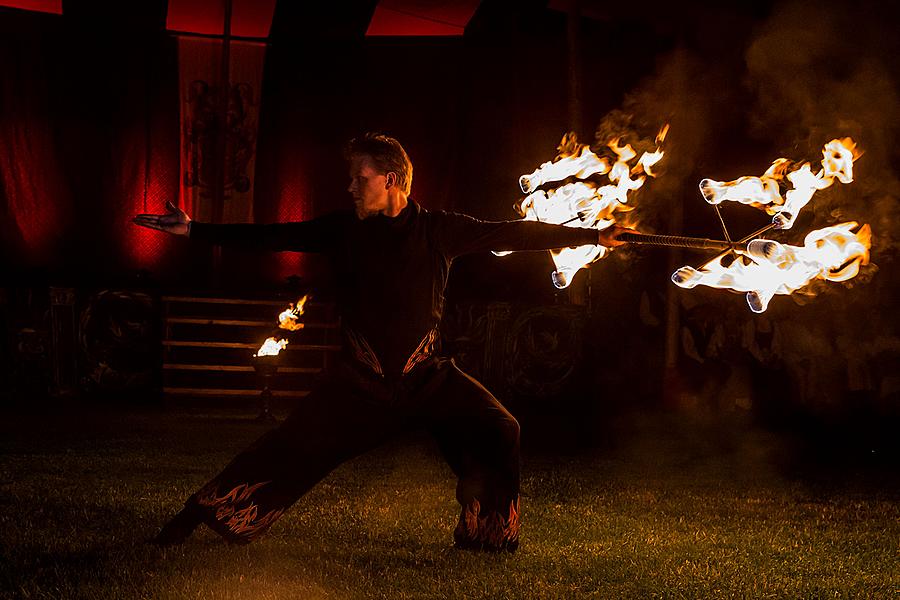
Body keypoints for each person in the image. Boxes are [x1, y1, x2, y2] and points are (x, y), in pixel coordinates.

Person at [134, 133, 632, 552]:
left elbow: (515, 231)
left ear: (391, 180)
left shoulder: (439, 230)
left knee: (501, 428)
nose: (351, 187)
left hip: (428, 378)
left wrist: (590, 235)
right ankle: (195, 516)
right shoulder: (343, 231)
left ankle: (485, 531)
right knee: (289, 448)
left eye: (360, 177)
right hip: (359, 386)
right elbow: (269, 234)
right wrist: (194, 229)